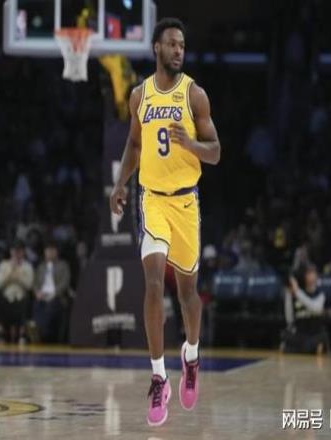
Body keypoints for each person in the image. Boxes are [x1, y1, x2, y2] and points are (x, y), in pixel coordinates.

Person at [109, 17, 221, 426]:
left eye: (182, 46)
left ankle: (191, 355)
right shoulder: (139, 95)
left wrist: (190, 143)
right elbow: (134, 143)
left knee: (189, 294)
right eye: (172, 44)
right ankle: (159, 377)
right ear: (156, 47)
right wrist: (121, 183)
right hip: (152, 200)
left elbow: (216, 152)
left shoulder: (195, 95)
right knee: (154, 283)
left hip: (186, 202)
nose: (178, 51)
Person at [0, 240, 34, 344]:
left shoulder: (28, 266)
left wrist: (18, 277)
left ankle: (22, 335)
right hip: (6, 296)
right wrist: (10, 275)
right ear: (11, 252)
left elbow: (29, 285)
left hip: (21, 297)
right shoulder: (4, 265)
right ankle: (0, 333)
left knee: (27, 299)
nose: (16, 254)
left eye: (19, 251)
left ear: (23, 252)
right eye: (14, 251)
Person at [282, 264, 328, 354]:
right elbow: (289, 319)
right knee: (285, 335)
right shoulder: (297, 293)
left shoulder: (320, 293)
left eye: (312, 272)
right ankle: (312, 348)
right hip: (300, 334)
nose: (311, 275)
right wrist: (289, 294)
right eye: (308, 273)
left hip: (315, 333)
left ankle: (298, 349)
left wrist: (297, 292)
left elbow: (316, 309)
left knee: (323, 336)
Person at [31, 240, 70, 343]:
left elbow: (65, 282)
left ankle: (41, 334)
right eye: (48, 251)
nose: (50, 253)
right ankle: (37, 331)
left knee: (51, 307)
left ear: (56, 252)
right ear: (45, 252)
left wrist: (53, 294)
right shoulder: (41, 267)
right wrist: (37, 292)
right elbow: (35, 283)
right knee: (37, 305)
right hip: (42, 295)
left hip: (57, 296)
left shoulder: (63, 265)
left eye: (52, 250)